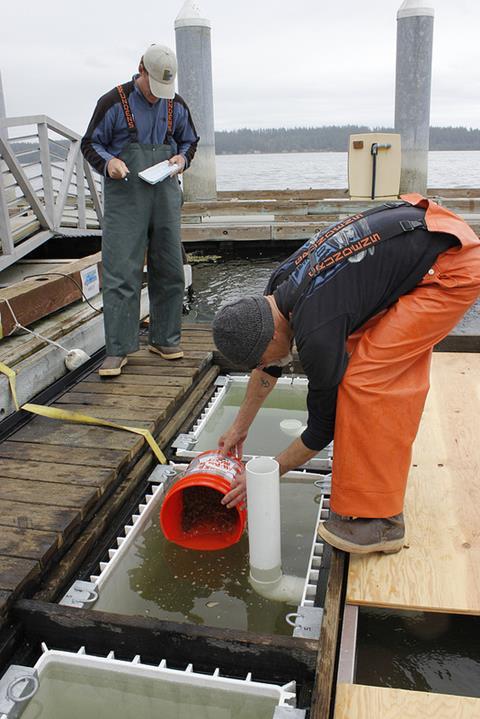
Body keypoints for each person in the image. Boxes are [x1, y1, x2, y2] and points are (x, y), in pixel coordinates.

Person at [212, 195, 480, 554]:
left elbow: (323, 428)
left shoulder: (316, 332)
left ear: (271, 334)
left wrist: (271, 472)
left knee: (364, 382)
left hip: (451, 267)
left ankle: (384, 523)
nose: (264, 365)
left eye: (259, 358)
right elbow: (270, 364)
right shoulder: (276, 290)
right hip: (423, 229)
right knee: (360, 361)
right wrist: (239, 427)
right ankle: (375, 471)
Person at [81, 44, 199, 376]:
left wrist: (182, 159)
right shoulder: (113, 102)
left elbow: (190, 141)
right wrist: (111, 163)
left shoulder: (175, 104)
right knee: (122, 272)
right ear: (141, 71)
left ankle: (164, 338)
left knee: (171, 268)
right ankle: (118, 350)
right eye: (152, 88)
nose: (157, 96)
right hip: (125, 194)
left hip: (164, 192)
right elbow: (90, 143)